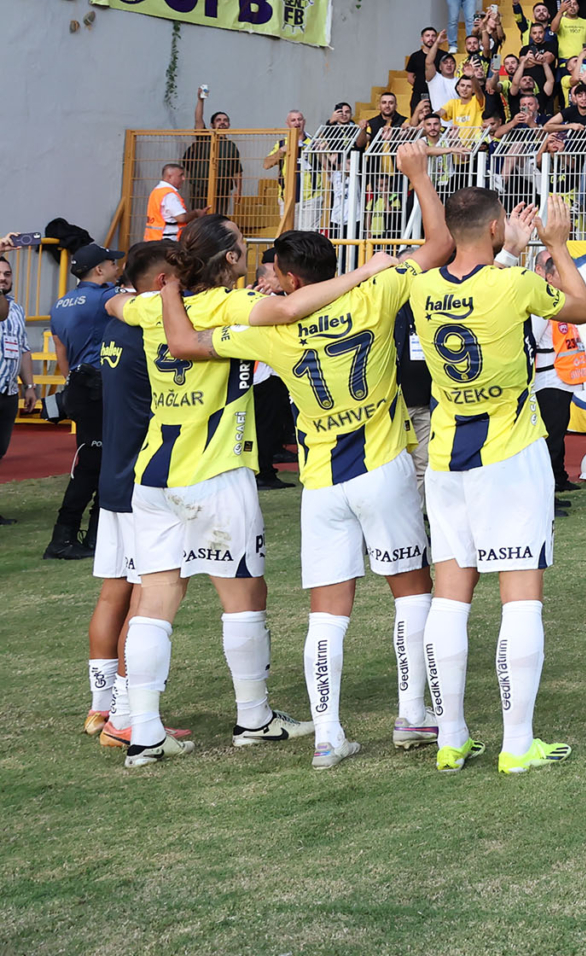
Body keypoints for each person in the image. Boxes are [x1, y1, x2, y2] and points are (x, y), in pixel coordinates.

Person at [158, 140, 454, 766]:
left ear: (289, 280)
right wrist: (419, 177)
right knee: (411, 589)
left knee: (328, 611)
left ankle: (327, 735)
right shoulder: (372, 293)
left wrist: (169, 287)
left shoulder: (270, 328)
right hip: (384, 468)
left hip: (320, 483)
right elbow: (438, 246)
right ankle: (412, 716)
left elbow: (182, 343)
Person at [106, 213, 384, 764]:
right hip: (216, 472)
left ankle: (143, 729)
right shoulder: (225, 305)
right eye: (240, 243)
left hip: (154, 474)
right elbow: (287, 308)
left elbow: (114, 303)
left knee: (155, 600)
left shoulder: (151, 304)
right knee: (243, 596)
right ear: (230, 259)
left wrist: (155, 292)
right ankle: (253, 716)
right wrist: (365, 273)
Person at [408, 189, 586, 774]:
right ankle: (517, 744)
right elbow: (580, 306)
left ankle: (452, 736)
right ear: (495, 228)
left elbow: (472, 286)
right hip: (509, 456)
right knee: (520, 597)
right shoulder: (512, 285)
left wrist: (505, 253)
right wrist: (557, 247)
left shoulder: (420, 286)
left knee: (450, 597)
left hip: (445, 456)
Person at [85, 243, 173, 750]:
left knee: (114, 590)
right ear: (161, 282)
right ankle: (123, 715)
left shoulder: (116, 322)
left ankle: (99, 708)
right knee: (144, 597)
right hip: (143, 478)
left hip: (113, 475)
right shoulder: (151, 328)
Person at [45, 243, 122, 566]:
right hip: (99, 386)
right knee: (98, 464)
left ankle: (86, 534)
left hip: (80, 383)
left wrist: (72, 383)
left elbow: (61, 349)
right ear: (99, 270)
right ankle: (70, 537)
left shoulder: (61, 303)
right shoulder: (105, 297)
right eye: (112, 264)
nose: (117, 268)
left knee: (93, 462)